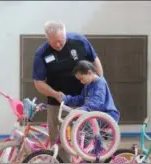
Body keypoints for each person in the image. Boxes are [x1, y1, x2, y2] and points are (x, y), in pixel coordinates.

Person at [32, 20, 104, 152]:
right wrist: (55, 94)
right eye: (54, 42)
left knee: (88, 138)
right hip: (58, 102)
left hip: (85, 99)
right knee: (58, 141)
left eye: (61, 40)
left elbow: (95, 60)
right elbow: (38, 82)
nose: (59, 45)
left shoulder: (80, 41)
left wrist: (100, 82)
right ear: (47, 38)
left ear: (65, 34)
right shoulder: (41, 54)